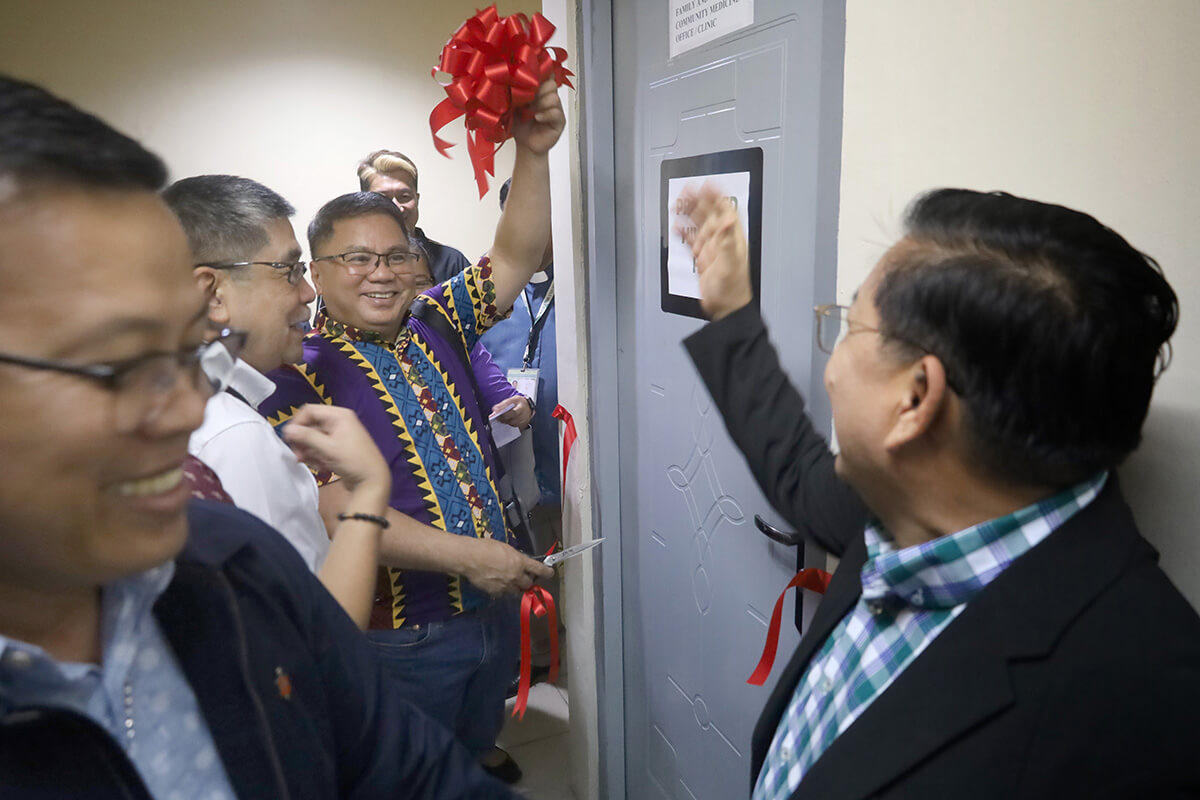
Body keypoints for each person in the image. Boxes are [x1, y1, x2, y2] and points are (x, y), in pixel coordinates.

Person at [0, 74, 513, 799]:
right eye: (108, 359)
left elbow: (413, 770)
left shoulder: (235, 563)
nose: (183, 409)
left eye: (179, 350)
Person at [681, 184, 1200, 799]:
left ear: (916, 400)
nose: (832, 362)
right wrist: (733, 312)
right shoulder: (903, 514)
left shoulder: (1152, 717)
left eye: (849, 326)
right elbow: (796, 470)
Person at [260, 80, 563, 782]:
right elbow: (338, 510)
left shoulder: (437, 317)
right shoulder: (292, 370)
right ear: (317, 271)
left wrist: (536, 150)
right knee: (401, 779)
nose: (382, 274)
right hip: (397, 636)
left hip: (489, 608)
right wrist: (468, 557)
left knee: (468, 759)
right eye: (356, 259)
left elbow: (513, 259)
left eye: (396, 255)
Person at [163, 174, 391, 628]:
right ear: (211, 294)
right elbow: (316, 643)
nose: (307, 293)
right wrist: (369, 489)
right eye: (289, 271)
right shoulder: (233, 438)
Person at [357, 150, 471, 283]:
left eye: (404, 197)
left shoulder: (451, 263)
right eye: (382, 198)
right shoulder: (348, 261)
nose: (396, 208)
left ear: (417, 200)